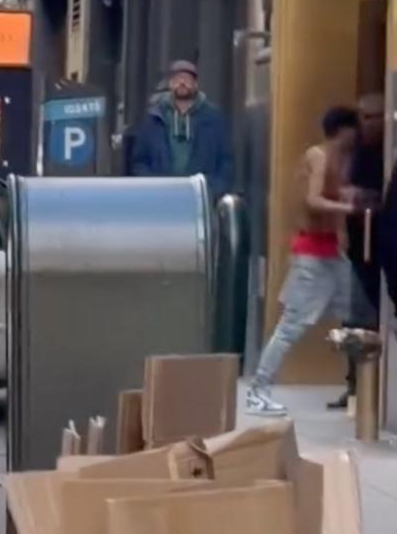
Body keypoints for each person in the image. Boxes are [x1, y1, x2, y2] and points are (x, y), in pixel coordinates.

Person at [246, 106, 361, 416]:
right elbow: (313, 200)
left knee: (360, 314)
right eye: (355, 127)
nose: (359, 133)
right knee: (292, 326)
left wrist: (342, 229)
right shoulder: (320, 156)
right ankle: (258, 390)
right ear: (343, 130)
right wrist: (347, 209)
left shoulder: (339, 160)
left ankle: (361, 389)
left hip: (330, 255)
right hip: (312, 257)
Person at [329, 94, 385, 409]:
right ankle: (355, 385)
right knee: (355, 318)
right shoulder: (357, 153)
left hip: (378, 245)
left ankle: (372, 387)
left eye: (371, 117)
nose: (364, 124)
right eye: (361, 117)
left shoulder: (383, 152)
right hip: (358, 245)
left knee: (371, 315)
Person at [131, 60, 234, 200]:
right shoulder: (154, 118)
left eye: (187, 79)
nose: (182, 83)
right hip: (161, 197)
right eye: (177, 79)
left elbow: (226, 161)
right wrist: (152, 186)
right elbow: (139, 161)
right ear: (170, 84)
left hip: (200, 198)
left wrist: (212, 190)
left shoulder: (213, 118)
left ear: (196, 84)